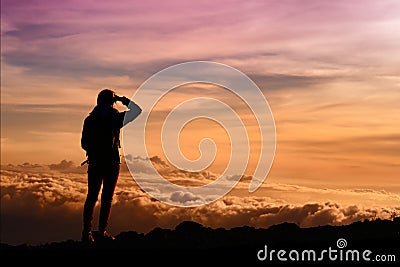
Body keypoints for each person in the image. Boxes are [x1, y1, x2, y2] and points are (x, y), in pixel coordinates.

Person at [80, 88, 142, 243]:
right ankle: (102, 232)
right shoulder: (114, 118)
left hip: (95, 162)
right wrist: (123, 99)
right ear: (112, 102)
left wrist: (94, 152)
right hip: (112, 162)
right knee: (107, 198)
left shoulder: (90, 119)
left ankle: (86, 233)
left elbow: (83, 143)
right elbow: (137, 111)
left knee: (91, 197)